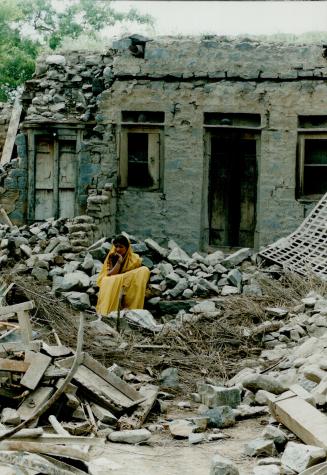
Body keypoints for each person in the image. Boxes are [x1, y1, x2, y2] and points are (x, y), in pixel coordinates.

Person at [96, 234, 150, 315]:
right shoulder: (112, 256)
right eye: (116, 246)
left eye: (121, 247)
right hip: (114, 280)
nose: (118, 249)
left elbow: (134, 275)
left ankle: (133, 308)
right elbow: (109, 274)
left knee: (144, 270)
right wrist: (119, 262)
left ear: (127, 248)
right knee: (108, 280)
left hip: (127, 281)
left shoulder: (134, 258)